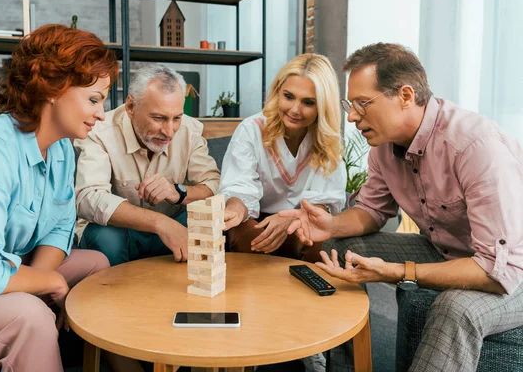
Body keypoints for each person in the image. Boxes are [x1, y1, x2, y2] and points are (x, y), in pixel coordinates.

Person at [281, 43, 523, 371]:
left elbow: (496, 269)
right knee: (344, 247)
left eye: (362, 104)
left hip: (511, 270)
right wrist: (331, 225)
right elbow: (372, 210)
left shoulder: (475, 147)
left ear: (406, 96)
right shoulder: (383, 148)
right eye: (349, 105)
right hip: (450, 250)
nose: (351, 116)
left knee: (456, 307)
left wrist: (398, 271)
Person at [0, 24, 117, 371]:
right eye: (94, 99)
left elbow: (59, 228)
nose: (102, 114)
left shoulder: (61, 150)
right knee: (29, 318)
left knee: (98, 267)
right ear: (52, 87)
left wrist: (37, 284)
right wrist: (50, 282)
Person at [75, 63, 220, 265]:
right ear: (131, 107)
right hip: (124, 234)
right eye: (158, 118)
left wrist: (179, 193)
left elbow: (213, 185)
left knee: (209, 217)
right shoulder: (99, 132)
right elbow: (87, 198)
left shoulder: (190, 130)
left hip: (175, 230)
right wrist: (160, 223)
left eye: (176, 118)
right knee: (103, 235)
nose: (169, 132)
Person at [220, 53, 346, 263]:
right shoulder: (251, 130)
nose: (295, 110)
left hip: (302, 220)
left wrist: (290, 221)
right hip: (254, 220)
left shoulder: (327, 140)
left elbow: (323, 205)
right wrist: (236, 208)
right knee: (252, 239)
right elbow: (239, 188)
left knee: (317, 243)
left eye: (308, 102)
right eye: (288, 96)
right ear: (278, 92)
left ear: (323, 105)